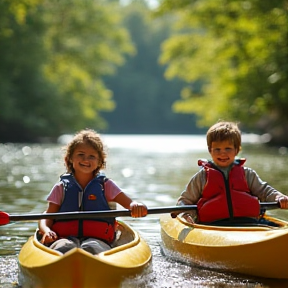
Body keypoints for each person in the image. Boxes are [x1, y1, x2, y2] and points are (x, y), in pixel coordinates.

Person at [39, 129, 148, 254]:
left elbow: (130, 204)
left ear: (99, 162)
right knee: (63, 247)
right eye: (80, 154)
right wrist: (46, 230)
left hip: (99, 240)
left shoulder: (106, 185)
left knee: (91, 247)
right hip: (64, 238)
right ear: (69, 158)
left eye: (92, 156)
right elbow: (46, 217)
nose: (86, 160)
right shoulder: (60, 188)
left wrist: (135, 206)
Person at [177, 121, 288, 225]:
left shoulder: (247, 174)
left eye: (228, 148)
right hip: (212, 225)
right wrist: (186, 215)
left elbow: (265, 192)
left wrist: (279, 197)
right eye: (217, 149)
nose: (223, 154)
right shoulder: (202, 177)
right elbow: (185, 201)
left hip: (248, 223)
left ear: (237, 150)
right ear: (210, 150)